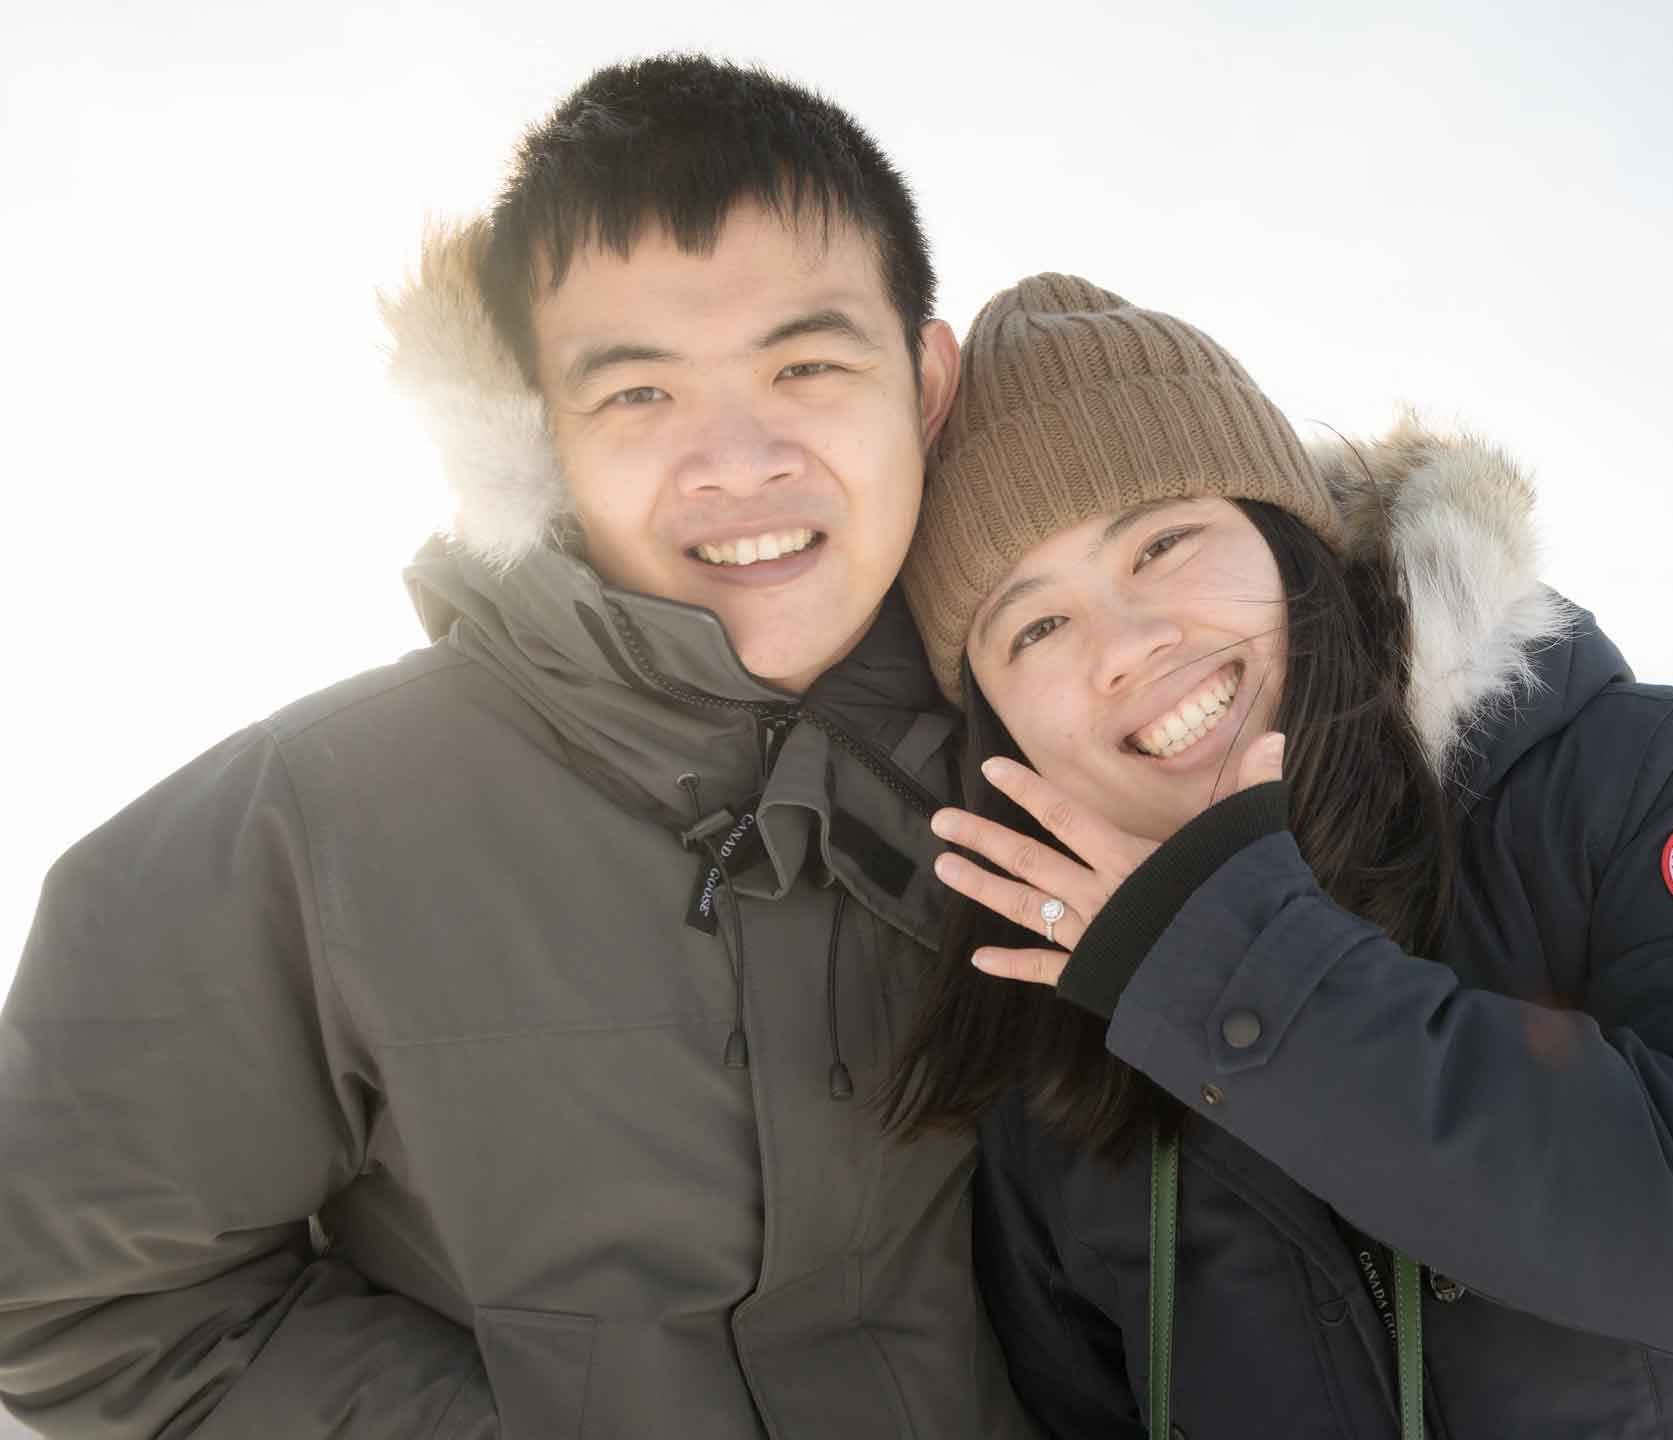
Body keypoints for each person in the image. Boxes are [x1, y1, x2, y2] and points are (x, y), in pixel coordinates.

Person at [0, 57, 1038, 1439]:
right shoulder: (318, 820)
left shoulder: (1053, 764)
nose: (737, 460)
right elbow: (70, 1297)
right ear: (539, 432)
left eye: (806, 363)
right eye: (639, 396)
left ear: (920, 383)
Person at [885, 273, 1673, 1438]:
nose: (1129, 646)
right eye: (1035, 624)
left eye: (1164, 542)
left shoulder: (1614, 767)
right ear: (997, 721)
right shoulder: (1040, 1035)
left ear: (1289, 544)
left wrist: (1232, 971)